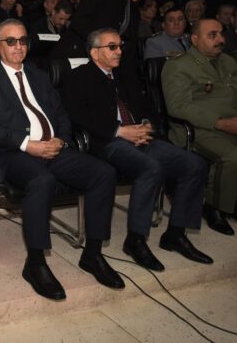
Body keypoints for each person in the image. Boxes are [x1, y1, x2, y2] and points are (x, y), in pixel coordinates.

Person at [0, 19, 123, 299]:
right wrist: (28, 145)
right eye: (11, 41)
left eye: (23, 40)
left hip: (53, 148)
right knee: (42, 180)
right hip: (12, 152)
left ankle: (93, 254)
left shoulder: (39, 75)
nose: (18, 46)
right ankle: (36, 262)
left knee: (104, 173)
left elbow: (61, 113)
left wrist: (60, 140)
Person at [62, 28, 212, 271]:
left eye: (120, 46)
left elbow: (149, 107)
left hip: (141, 138)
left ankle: (175, 234)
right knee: (151, 168)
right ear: (94, 52)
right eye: (112, 47)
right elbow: (77, 116)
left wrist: (146, 124)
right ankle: (136, 240)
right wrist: (119, 131)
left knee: (194, 164)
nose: (119, 51)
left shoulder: (125, 74)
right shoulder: (78, 77)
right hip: (108, 142)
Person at [162, 19, 237, 235]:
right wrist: (220, 123)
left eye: (221, 34)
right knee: (233, 157)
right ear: (194, 40)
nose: (220, 39)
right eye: (212, 35)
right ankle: (214, 207)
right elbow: (178, 107)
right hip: (199, 129)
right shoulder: (178, 65)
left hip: (231, 123)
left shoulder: (229, 62)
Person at [52, 0, 166, 69]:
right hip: (77, 60)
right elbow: (79, 22)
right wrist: (103, 43)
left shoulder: (134, 10)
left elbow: (130, 51)